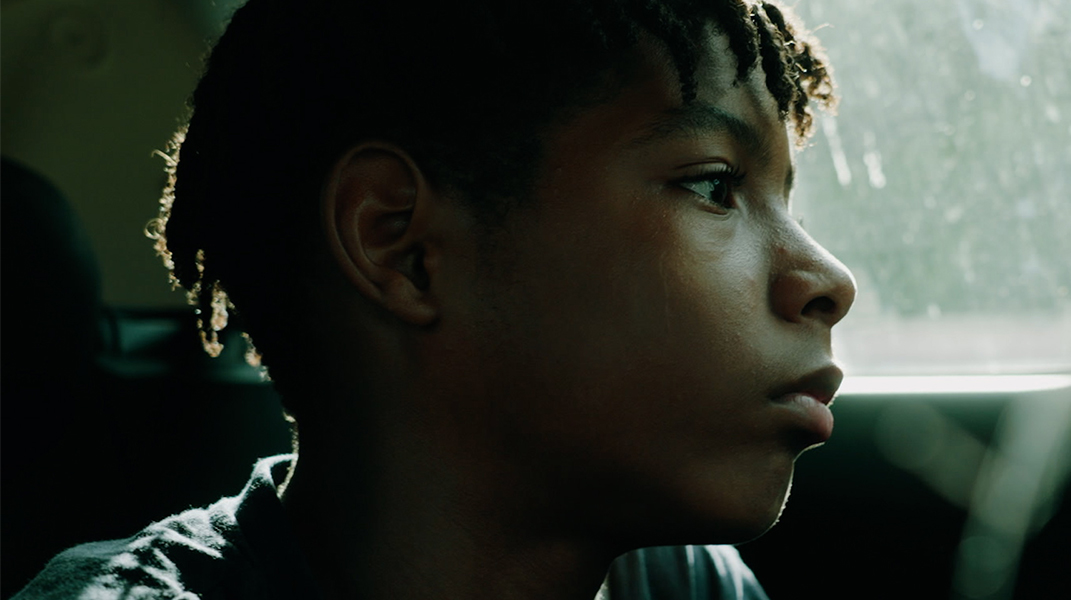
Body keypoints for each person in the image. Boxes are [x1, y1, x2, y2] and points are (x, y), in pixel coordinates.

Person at [16, 0, 856, 598]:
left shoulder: (679, 580)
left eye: (787, 201)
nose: (828, 279)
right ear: (404, 249)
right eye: (713, 185)